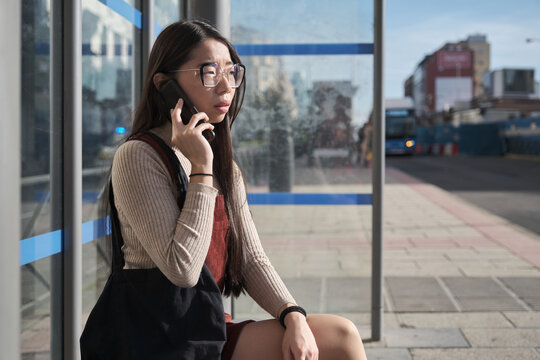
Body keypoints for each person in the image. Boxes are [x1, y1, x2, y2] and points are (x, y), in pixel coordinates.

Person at [110, 20, 367, 360]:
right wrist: (201, 169)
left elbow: (251, 258)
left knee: (341, 337)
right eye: (209, 72)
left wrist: (292, 314)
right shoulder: (138, 157)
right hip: (154, 340)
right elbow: (182, 269)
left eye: (232, 72)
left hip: (205, 327)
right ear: (165, 85)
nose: (225, 86)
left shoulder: (224, 165)